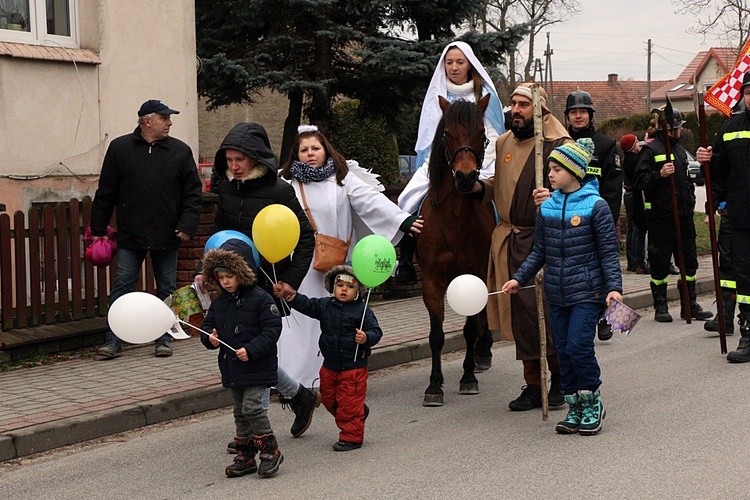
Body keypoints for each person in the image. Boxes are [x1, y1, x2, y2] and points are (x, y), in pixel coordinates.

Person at [194, 122, 319, 444]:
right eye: (229, 160)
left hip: (266, 282)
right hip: (231, 283)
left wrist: (292, 280)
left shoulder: (279, 190)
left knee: (254, 353)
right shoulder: (226, 189)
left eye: (240, 160)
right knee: (244, 353)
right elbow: (218, 235)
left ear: (255, 159)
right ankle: (300, 397)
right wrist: (204, 270)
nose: (233, 167)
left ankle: (254, 434)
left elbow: (305, 237)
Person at [278, 125, 421, 389]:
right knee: (302, 318)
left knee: (337, 318)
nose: (310, 154)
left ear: (325, 150)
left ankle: (338, 374)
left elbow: (371, 201)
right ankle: (298, 379)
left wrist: (402, 219)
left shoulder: (343, 178)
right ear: (296, 155)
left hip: (339, 262)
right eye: (304, 150)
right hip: (302, 264)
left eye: (315, 148)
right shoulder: (287, 184)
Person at [503, 138, 622, 435]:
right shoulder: (546, 209)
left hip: (588, 291)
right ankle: (574, 405)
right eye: (550, 169)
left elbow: (608, 252)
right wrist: (519, 278)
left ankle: (592, 400)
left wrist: (614, 288)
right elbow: (538, 252)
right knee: (564, 352)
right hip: (556, 292)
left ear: (574, 171)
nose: (550, 175)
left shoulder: (597, 206)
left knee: (579, 346)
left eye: (556, 169)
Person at [473, 83, 569, 411]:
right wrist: (475, 188)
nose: (516, 109)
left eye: (523, 104)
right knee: (522, 316)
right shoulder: (504, 144)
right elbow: (496, 185)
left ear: (540, 110)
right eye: (513, 103)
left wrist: (556, 197)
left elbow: (582, 188)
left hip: (546, 240)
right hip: (511, 240)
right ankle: (533, 382)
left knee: (547, 312)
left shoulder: (559, 144)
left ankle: (560, 377)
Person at [92, 99, 202, 359]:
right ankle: (113, 340)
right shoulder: (120, 149)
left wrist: (187, 224)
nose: (170, 122)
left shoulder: (180, 151)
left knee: (166, 288)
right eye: (165, 118)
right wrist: (98, 228)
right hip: (131, 234)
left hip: (168, 233)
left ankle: (164, 339)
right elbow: (106, 191)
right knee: (123, 286)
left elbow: (192, 193)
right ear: (147, 121)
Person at [394, 41, 505, 284]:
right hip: (442, 159)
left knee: (500, 199)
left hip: (482, 159)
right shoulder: (437, 93)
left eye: (459, 62)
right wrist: (442, 162)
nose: (454, 67)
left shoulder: (484, 94)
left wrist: (484, 164)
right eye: (449, 62)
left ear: (469, 65)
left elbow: (493, 131)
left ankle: (500, 256)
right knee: (408, 197)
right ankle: (405, 260)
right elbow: (429, 132)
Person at [274, 265, 382, 451]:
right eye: (339, 285)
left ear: (357, 291)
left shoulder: (362, 311)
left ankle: (352, 437)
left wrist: (366, 338)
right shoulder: (325, 305)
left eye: (349, 287)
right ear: (333, 287)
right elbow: (307, 304)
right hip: (330, 365)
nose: (343, 290)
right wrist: (290, 296)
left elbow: (376, 331)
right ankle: (359, 412)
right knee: (328, 398)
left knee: (348, 403)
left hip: (353, 367)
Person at [200, 241, 283, 477]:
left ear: (243, 272)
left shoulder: (261, 298)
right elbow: (207, 327)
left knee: (252, 407)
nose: (225, 281)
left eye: (230, 276)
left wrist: (252, 349)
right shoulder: (219, 302)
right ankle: (245, 455)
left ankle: (271, 450)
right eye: (221, 276)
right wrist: (210, 338)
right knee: (239, 411)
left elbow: (272, 329)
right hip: (232, 366)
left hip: (257, 364)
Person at [633, 107, 712, 323]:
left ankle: (690, 305)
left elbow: (686, 182)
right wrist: (659, 174)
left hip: (684, 216)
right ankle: (660, 306)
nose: (679, 132)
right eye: (678, 128)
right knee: (660, 263)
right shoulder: (650, 150)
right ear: (670, 129)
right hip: (661, 217)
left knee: (689, 262)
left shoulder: (679, 151)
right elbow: (638, 181)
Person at [696, 71, 750, 361]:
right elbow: (718, 174)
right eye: (749, 92)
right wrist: (707, 159)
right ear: (743, 96)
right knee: (745, 280)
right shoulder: (730, 128)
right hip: (741, 217)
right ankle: (748, 335)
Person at [564, 90, 623, 342]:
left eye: (582, 112)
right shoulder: (561, 143)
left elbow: (613, 187)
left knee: (608, 269)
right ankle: (588, 316)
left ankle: (612, 319)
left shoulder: (606, 145)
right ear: (567, 116)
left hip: (599, 219)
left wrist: (607, 221)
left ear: (590, 115)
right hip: (570, 220)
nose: (578, 116)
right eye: (573, 112)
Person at [620, 134, 648, 274]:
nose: (639, 145)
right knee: (638, 227)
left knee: (632, 227)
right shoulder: (634, 161)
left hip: (628, 195)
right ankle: (638, 261)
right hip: (634, 195)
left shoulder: (627, 160)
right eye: (637, 143)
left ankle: (632, 261)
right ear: (632, 147)